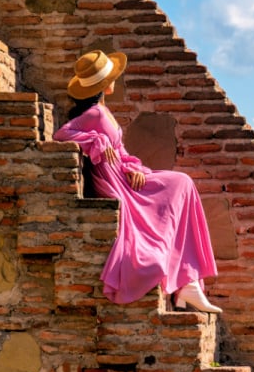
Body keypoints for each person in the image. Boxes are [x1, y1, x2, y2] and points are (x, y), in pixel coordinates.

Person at [53, 50, 222, 313]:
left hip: (123, 173)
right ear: (104, 85)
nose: (115, 81)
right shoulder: (95, 114)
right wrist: (95, 141)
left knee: (182, 184)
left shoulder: (103, 111)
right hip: (112, 180)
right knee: (180, 185)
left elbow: (119, 150)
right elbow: (61, 135)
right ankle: (186, 284)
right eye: (112, 77)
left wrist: (134, 167)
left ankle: (188, 282)